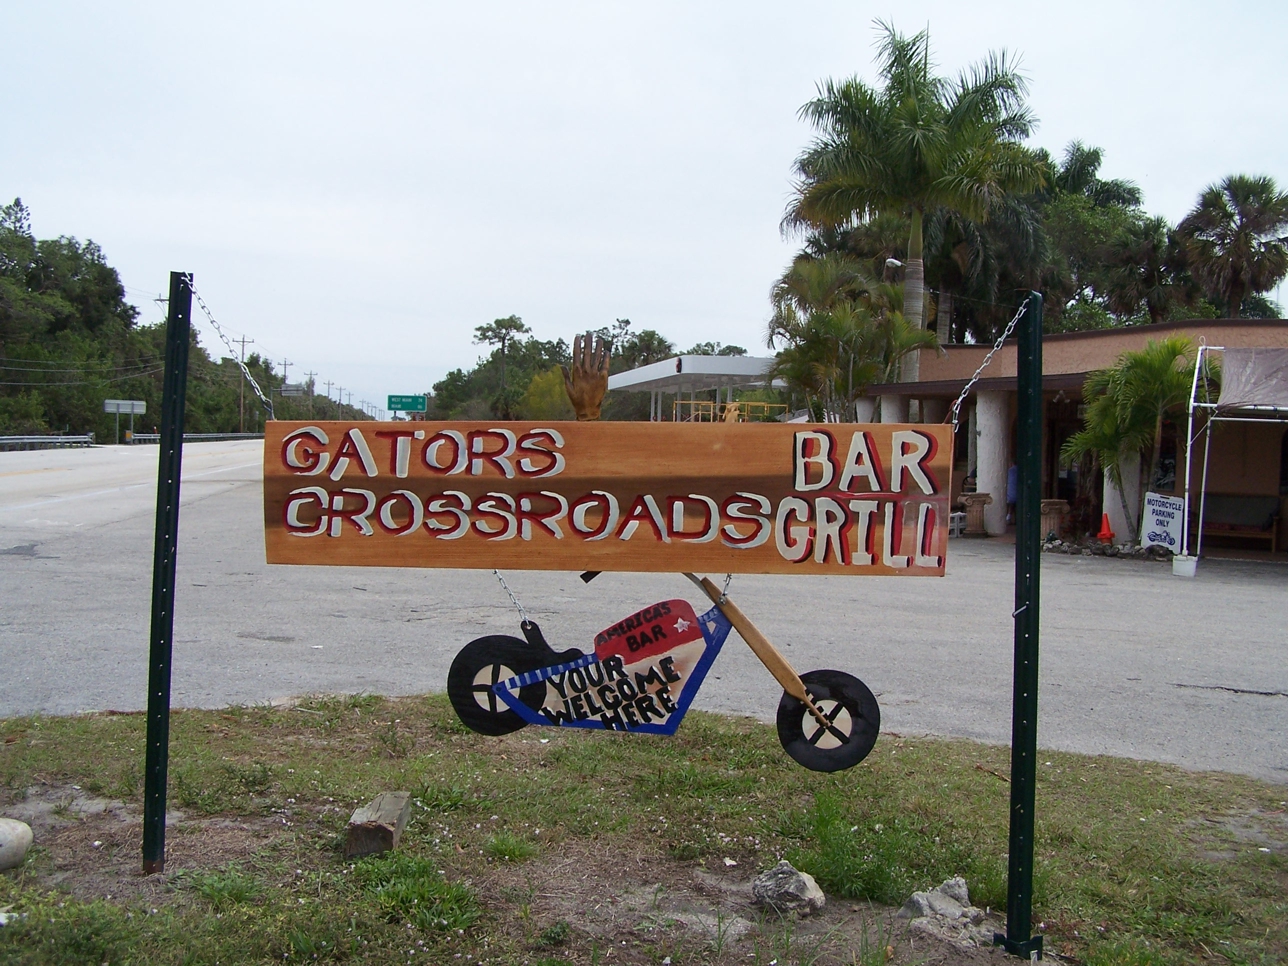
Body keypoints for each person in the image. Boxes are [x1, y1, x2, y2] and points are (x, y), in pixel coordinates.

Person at [1005, 461, 1018, 525]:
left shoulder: (1010, 471)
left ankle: (1008, 517)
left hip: (1010, 493)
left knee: (1010, 505)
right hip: (1017, 494)